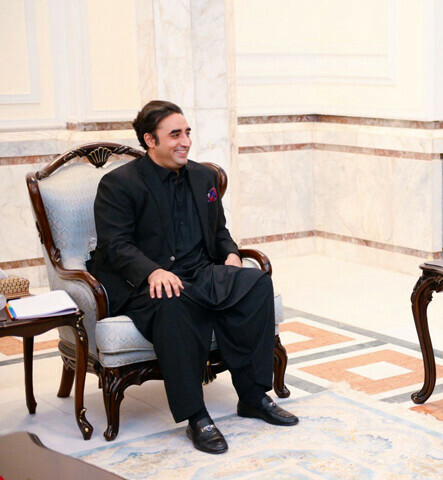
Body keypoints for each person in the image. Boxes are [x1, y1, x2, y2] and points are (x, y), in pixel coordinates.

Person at [89, 100, 298, 454]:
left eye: (187, 132)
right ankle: (196, 416)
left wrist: (231, 253)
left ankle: (251, 395)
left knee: (256, 283)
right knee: (174, 302)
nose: (185, 141)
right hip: (147, 282)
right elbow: (115, 245)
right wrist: (152, 270)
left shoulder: (204, 177)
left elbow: (219, 230)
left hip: (199, 272)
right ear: (150, 140)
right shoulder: (119, 184)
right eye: (175, 134)